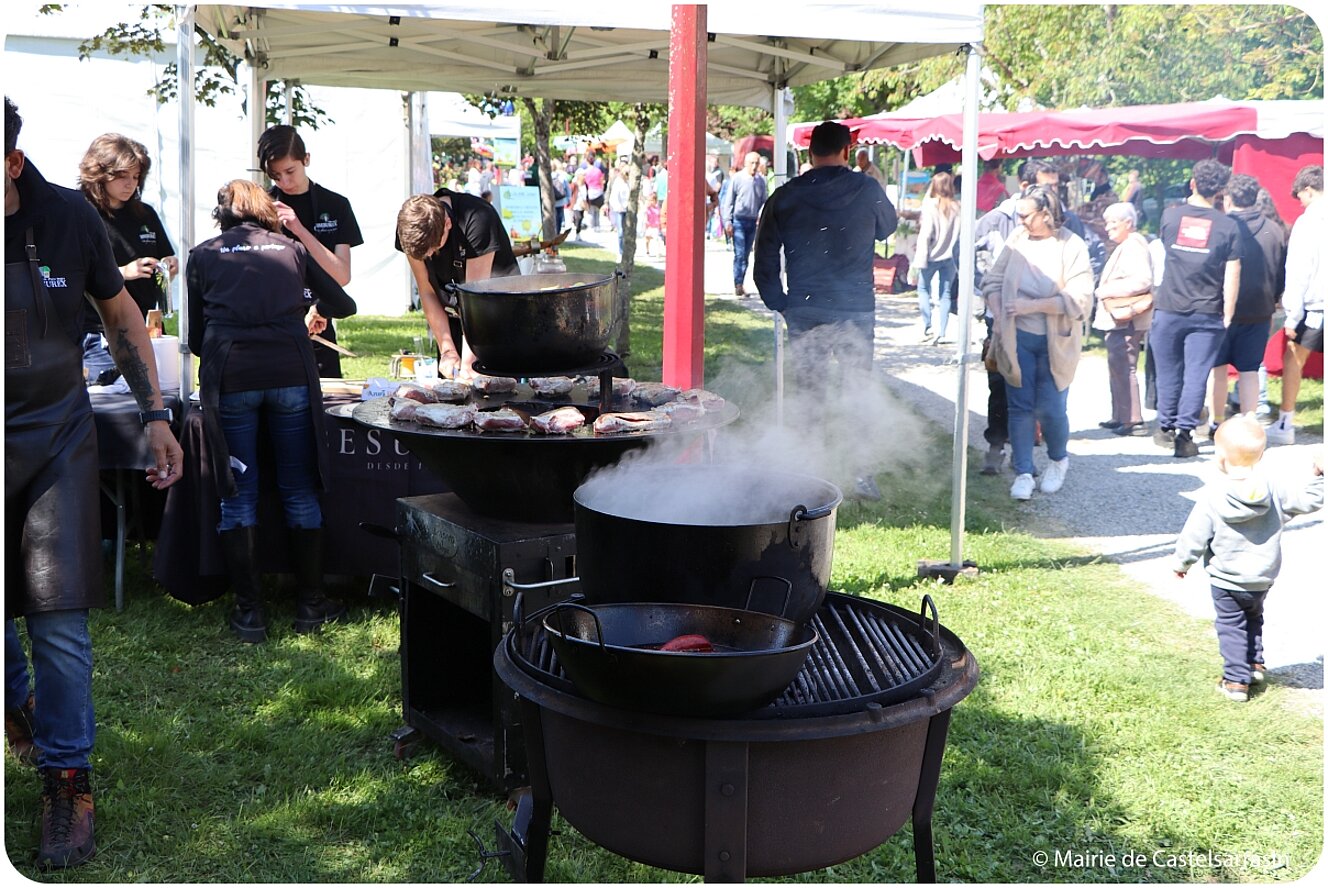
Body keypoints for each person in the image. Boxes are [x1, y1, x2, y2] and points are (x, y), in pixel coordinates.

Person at [5, 95, 182, 870]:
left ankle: (67, 780)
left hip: (55, 440)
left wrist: (156, 414)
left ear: (12, 163)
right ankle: (19, 704)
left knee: (58, 619)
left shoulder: (68, 219)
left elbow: (121, 317)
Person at [187, 180, 356, 643]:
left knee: (237, 493)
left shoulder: (203, 255)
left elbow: (198, 337)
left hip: (232, 375)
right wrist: (308, 306)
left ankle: (250, 615)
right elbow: (344, 303)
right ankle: (311, 606)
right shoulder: (291, 249)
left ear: (222, 214)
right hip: (289, 372)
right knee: (299, 489)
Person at [753, 121, 897, 501]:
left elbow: (763, 258)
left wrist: (779, 302)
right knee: (857, 389)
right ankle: (861, 472)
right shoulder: (867, 189)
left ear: (809, 153)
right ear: (846, 151)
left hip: (805, 307)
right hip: (855, 308)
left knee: (808, 391)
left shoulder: (785, 196)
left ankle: (807, 470)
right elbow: (888, 228)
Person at [1173, 415, 1323, 701]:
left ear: (1219, 456)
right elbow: (1309, 501)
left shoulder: (1214, 494)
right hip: (1262, 577)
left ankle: (1235, 680)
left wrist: (1182, 563)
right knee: (1254, 617)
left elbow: (1195, 534)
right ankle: (1254, 665)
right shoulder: (1273, 489)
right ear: (1261, 455)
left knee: (1231, 626)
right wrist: (1318, 476)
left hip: (1227, 579)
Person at [980, 184, 1094, 501]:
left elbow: (1081, 301)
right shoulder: (1017, 240)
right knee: (1019, 407)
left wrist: (1032, 306)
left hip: (1056, 343)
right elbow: (992, 281)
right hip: (1017, 338)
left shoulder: (1071, 245)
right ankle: (1023, 472)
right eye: (1018, 215)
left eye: (1026, 216)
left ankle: (1058, 460)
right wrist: (999, 314)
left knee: (1052, 409)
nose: (1020, 222)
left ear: (1046, 214)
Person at [1151, 158, 1241, 458]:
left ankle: (1165, 427)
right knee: (1196, 374)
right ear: (1221, 190)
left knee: (1167, 371)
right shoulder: (1228, 226)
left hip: (1169, 305)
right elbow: (1233, 273)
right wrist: (1228, 312)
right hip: (1207, 310)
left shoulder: (1170, 217)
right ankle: (1185, 434)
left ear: (1192, 183)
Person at [258, 125, 363, 379]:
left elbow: (341, 276)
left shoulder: (336, 205)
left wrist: (299, 230)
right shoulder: (262, 206)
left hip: (319, 323)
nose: (284, 182)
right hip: (273, 329)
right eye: (276, 175)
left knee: (327, 398)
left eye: (290, 171)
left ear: (306, 159)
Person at [76, 133, 178, 383]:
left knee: (156, 392)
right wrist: (123, 272)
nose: (130, 184)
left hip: (146, 327)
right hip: (99, 331)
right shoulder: (80, 213)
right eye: (122, 176)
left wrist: (168, 267)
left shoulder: (145, 214)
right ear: (100, 172)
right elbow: (71, 272)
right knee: (109, 398)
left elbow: (165, 255)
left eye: (136, 176)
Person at [395, 187, 519, 379]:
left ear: (447, 224)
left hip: (494, 315)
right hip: (454, 315)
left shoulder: (477, 218)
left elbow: (475, 299)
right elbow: (427, 291)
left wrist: (469, 363)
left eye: (434, 248)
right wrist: (447, 350)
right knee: (451, 387)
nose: (430, 256)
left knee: (490, 387)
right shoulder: (409, 228)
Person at [1208, 174, 1285, 431]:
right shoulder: (1274, 229)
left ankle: (1216, 422)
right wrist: (1274, 300)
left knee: (1217, 369)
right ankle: (1250, 424)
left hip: (1220, 310)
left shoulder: (1220, 226)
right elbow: (1281, 272)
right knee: (1250, 370)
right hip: (1259, 310)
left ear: (1228, 199)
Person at [1267, 165, 1324, 446]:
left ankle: (1285, 422)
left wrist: (1292, 315)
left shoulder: (1307, 222)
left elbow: (1299, 270)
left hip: (1315, 305)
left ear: (1308, 190)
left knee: (1293, 358)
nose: (1299, 201)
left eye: (1299, 195)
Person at [1091, 202, 1155, 436]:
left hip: (1127, 320)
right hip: (1120, 319)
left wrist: (1105, 291)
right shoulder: (1128, 244)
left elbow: (1143, 280)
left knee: (1125, 367)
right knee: (1117, 366)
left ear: (1128, 223)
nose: (1108, 227)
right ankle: (1120, 416)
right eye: (1107, 222)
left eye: (1113, 223)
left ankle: (1132, 420)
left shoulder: (1134, 245)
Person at [914, 171, 962, 344]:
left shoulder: (931, 206)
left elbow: (926, 234)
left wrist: (920, 258)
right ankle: (942, 331)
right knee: (945, 294)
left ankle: (928, 326)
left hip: (931, 256)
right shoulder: (958, 207)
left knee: (923, 289)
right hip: (950, 258)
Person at [722, 151, 769, 297]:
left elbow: (764, 201)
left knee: (747, 255)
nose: (754, 166)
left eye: (756, 163)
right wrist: (727, 221)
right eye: (752, 163)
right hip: (739, 220)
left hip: (752, 221)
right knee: (740, 254)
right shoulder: (737, 178)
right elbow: (729, 201)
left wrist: (761, 215)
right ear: (746, 163)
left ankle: (741, 283)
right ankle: (738, 283)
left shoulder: (761, 181)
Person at [607, 160, 631, 256]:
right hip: (620, 209)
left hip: (628, 209)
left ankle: (627, 251)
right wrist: (618, 206)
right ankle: (621, 252)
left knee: (627, 231)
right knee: (620, 232)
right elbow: (613, 196)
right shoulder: (617, 181)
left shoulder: (629, 182)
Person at [583, 155, 606, 231]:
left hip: (590, 191)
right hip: (598, 191)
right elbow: (601, 181)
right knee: (597, 210)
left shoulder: (586, 172)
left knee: (591, 210)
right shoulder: (598, 171)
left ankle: (592, 226)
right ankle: (597, 225)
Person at [642, 190, 662, 257]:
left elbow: (659, 216)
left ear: (655, 201)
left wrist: (660, 224)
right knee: (647, 239)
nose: (651, 202)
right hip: (649, 226)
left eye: (652, 200)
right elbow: (644, 213)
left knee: (656, 239)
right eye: (649, 200)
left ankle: (657, 252)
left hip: (655, 226)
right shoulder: (648, 208)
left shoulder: (657, 209)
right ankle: (647, 251)